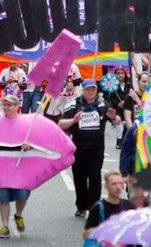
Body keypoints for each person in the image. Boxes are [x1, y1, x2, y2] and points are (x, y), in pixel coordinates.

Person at [59, 79, 121, 218]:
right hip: (78, 148)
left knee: (94, 178)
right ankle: (81, 206)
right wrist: (73, 121)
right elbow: (61, 123)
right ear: (83, 90)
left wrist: (114, 117)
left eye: (93, 89)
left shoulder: (102, 104)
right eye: (88, 89)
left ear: (96, 91)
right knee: (79, 178)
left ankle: (94, 207)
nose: (90, 92)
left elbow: (116, 121)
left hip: (96, 148)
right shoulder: (73, 104)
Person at [0, 95, 30, 239]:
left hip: (20, 165)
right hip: (2, 166)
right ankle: (4, 226)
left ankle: (18, 215)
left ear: (17, 106)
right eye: (4, 105)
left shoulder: (25, 123)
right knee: (3, 197)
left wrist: (28, 146)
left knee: (22, 195)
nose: (6, 107)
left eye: (9, 105)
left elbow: (35, 141)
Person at [83, 171, 134, 238]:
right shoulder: (98, 207)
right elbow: (86, 234)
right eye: (114, 184)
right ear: (106, 186)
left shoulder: (129, 205)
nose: (118, 187)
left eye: (120, 183)